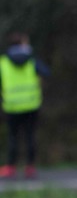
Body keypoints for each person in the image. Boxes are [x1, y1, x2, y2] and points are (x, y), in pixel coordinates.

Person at [0, 33, 51, 180]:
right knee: (30, 136)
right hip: (31, 104)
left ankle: (10, 167)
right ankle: (30, 167)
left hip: (11, 106)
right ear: (22, 44)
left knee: (13, 137)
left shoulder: (3, 62)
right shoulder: (31, 60)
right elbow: (47, 72)